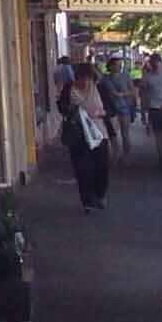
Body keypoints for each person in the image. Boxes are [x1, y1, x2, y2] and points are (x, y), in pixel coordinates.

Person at [59, 60, 113, 212]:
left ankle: (100, 195)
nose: (84, 82)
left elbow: (111, 108)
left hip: (99, 134)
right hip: (78, 134)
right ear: (75, 78)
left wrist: (102, 113)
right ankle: (87, 201)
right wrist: (72, 110)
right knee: (82, 169)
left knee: (100, 167)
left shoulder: (100, 89)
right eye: (81, 78)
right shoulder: (69, 89)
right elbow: (61, 107)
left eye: (88, 78)